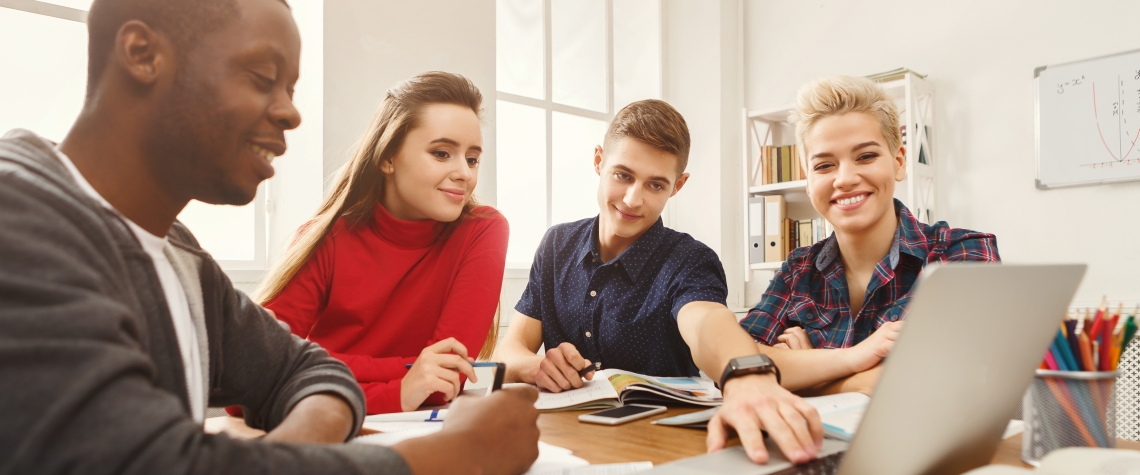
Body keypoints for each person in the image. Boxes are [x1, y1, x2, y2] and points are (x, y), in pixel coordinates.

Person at [0, 1, 539, 474]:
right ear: (142, 53)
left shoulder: (179, 254)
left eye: (291, 88)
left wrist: (296, 453)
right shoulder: (19, 217)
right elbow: (153, 464)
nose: (291, 112)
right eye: (261, 77)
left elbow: (303, 369)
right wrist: (458, 458)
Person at [493, 99, 825, 465]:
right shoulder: (556, 244)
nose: (633, 199)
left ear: (677, 186)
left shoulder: (690, 259)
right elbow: (508, 351)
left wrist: (745, 374)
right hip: (561, 444)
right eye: (623, 175)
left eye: (655, 185)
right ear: (599, 160)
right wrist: (536, 366)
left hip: (662, 448)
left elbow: (706, 324)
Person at [252, 71, 507, 415]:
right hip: (326, 432)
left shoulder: (482, 231)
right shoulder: (324, 238)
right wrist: (402, 385)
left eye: (472, 158)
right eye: (442, 153)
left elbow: (444, 381)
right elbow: (252, 376)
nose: (465, 172)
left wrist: (312, 373)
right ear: (388, 157)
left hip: (407, 436)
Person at [739, 75, 1000, 395]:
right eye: (824, 166)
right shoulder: (798, 269)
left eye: (865, 156)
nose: (845, 179)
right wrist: (851, 360)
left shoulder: (961, 253)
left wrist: (807, 375)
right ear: (807, 180)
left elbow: (949, 379)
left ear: (899, 162)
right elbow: (737, 363)